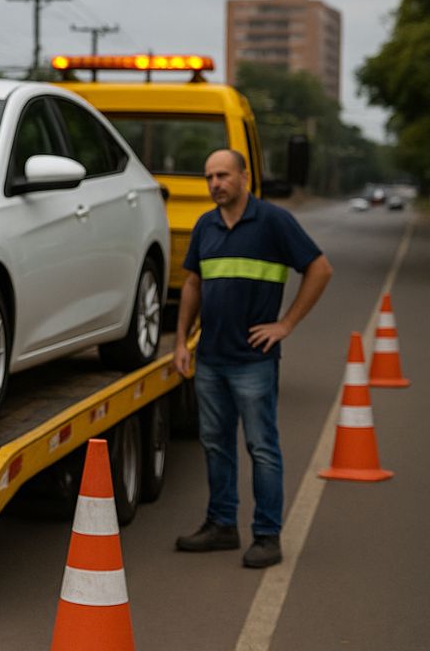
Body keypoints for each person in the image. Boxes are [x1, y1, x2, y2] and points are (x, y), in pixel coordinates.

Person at [172, 149, 332, 569]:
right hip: (210, 358)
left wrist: (286, 324)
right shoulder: (205, 224)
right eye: (209, 177)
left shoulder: (273, 221)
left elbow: (319, 269)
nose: (214, 184)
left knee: (262, 447)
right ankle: (222, 525)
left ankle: (267, 535)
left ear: (244, 177)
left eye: (222, 175)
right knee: (215, 444)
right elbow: (193, 283)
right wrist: (180, 342)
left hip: (253, 361)